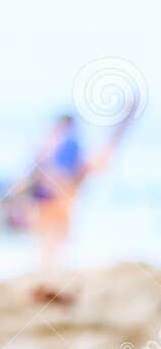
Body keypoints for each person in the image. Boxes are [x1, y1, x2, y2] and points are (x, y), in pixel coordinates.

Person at [25, 108, 133, 274]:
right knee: (50, 252)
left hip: (56, 208)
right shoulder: (51, 154)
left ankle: (48, 274)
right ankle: (48, 274)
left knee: (52, 252)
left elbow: (100, 159)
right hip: (51, 209)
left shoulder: (57, 153)